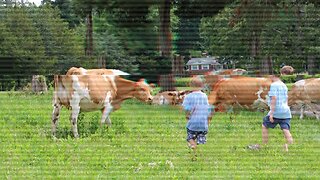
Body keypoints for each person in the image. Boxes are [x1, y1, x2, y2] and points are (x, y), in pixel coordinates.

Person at [182, 76, 214, 160]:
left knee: (190, 138)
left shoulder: (188, 97)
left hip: (193, 123)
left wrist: (187, 115)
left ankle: (193, 145)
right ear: (202, 86)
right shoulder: (204, 96)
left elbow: (187, 109)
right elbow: (207, 109)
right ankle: (198, 145)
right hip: (203, 124)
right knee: (200, 136)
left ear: (190, 85)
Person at [262, 73, 293, 152]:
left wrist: (272, 113)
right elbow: (286, 98)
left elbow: (274, 98)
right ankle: (290, 145)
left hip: (277, 111)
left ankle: (264, 145)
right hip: (286, 111)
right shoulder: (284, 85)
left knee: (264, 125)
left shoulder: (274, 85)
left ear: (273, 76)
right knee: (285, 129)